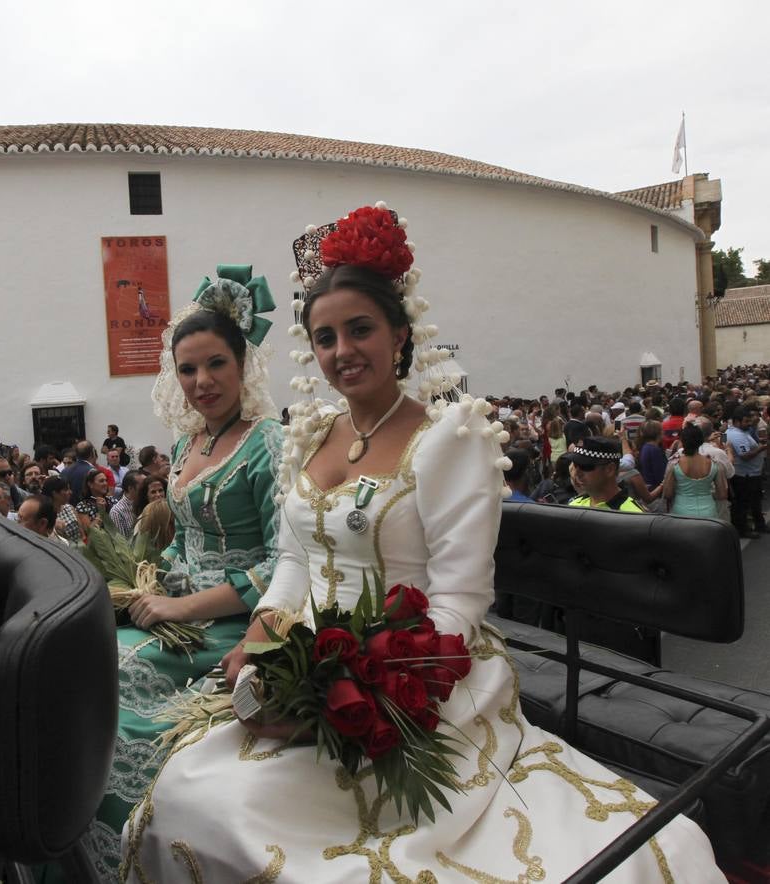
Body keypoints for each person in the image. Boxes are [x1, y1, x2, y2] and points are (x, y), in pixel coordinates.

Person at [122, 205, 721, 883]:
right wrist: (260, 645)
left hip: (415, 675)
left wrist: (358, 694)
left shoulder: (450, 436)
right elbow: (292, 563)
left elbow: (459, 602)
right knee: (184, 796)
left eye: (359, 329)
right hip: (303, 661)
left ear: (400, 333)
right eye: (324, 337)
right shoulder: (307, 433)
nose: (341, 351)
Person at [83, 264, 283, 882]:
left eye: (216, 364)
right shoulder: (187, 445)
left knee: (116, 680)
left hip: (232, 623)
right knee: (83, 660)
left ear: (243, 365)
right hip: (173, 609)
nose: (202, 382)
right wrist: (149, 576)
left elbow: (282, 563)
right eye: (188, 369)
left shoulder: (267, 443)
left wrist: (180, 609)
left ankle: (133, 851)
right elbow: (186, 546)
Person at [662, 424, 727, 519]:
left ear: (683, 441)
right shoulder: (714, 463)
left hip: (681, 511)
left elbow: (668, 493)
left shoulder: (674, 464)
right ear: (701, 441)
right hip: (708, 511)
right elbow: (722, 494)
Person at [565, 436, 645, 512]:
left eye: (585, 466)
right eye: (575, 464)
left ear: (609, 469)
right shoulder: (573, 505)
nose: (577, 472)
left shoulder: (632, 514)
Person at [726, 405, 768, 538]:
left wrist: (759, 442)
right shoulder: (737, 435)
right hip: (745, 475)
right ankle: (743, 529)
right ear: (737, 421)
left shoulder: (742, 432)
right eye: (746, 421)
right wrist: (762, 448)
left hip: (751, 473)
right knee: (743, 504)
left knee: (754, 501)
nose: (749, 424)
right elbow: (745, 456)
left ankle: (759, 524)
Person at [74, 468, 116, 538]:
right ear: (90, 484)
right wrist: (101, 513)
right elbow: (90, 533)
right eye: (101, 481)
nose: (105, 483)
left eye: (106, 480)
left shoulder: (112, 500)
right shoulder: (83, 506)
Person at [108, 469, 146, 539]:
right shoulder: (117, 512)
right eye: (143, 487)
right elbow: (122, 544)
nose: (146, 489)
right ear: (130, 488)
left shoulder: (147, 503)